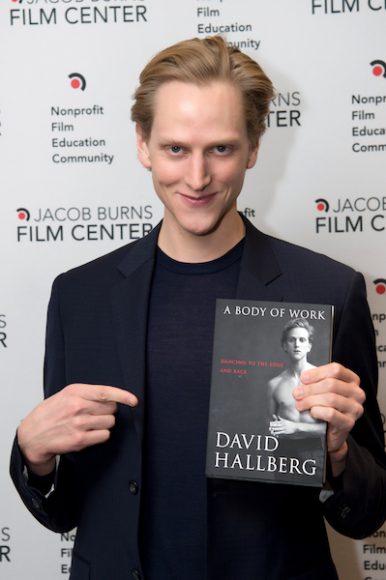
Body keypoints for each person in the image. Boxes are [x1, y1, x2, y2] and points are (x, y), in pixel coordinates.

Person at [10, 35, 386, 580]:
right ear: (143, 143)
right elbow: (67, 507)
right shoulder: (80, 296)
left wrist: (337, 455)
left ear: (254, 148)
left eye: (221, 148)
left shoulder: (327, 290)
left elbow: (367, 511)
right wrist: (34, 455)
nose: (197, 178)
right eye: (175, 149)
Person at [268, 318, 324, 439]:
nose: (297, 344)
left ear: (309, 346)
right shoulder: (274, 384)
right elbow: (269, 421)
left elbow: (330, 428)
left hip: (313, 450)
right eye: (292, 340)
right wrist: (273, 427)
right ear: (284, 346)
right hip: (283, 450)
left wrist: (295, 427)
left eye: (302, 340)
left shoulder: (321, 380)